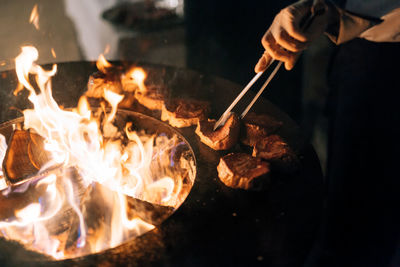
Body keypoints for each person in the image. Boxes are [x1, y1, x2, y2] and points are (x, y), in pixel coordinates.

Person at [255, 1, 400, 266]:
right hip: (361, 45)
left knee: (368, 222)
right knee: (346, 204)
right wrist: (322, 9)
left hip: (386, 57)